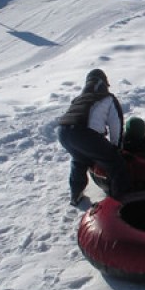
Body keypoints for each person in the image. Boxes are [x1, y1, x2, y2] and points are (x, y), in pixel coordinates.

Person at [57, 69, 129, 205]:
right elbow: (116, 124)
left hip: (63, 132)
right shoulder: (108, 98)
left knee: (79, 159)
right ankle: (118, 202)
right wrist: (117, 148)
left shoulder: (79, 98)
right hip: (84, 133)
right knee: (116, 164)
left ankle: (75, 195)